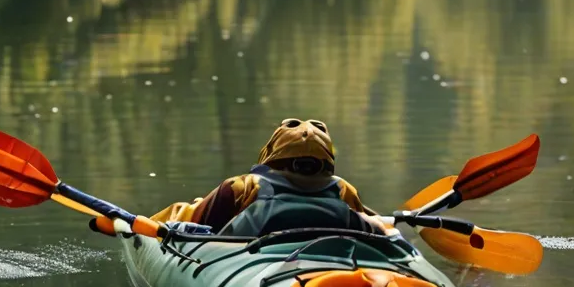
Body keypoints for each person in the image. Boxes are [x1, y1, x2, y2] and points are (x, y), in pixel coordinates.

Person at [150, 117, 394, 237]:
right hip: (331, 267)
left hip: (252, 273)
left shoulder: (242, 187)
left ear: (272, 154)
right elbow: (370, 232)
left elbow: (191, 220)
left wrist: (150, 225)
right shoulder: (343, 190)